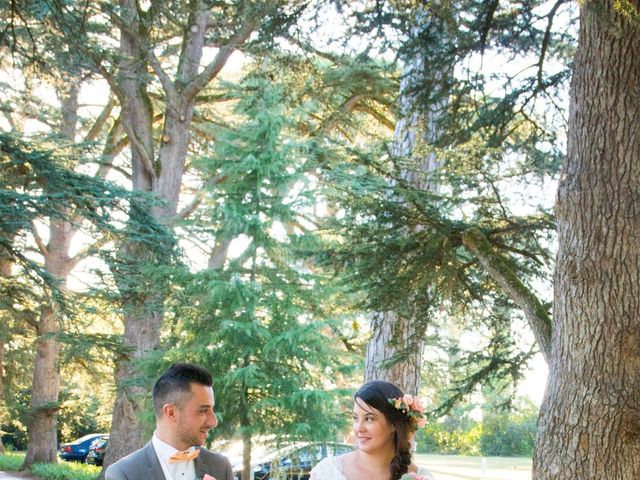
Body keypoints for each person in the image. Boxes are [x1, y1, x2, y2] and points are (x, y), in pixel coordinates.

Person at [105, 362, 234, 480]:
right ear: (171, 412)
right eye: (203, 410)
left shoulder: (221, 468)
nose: (213, 421)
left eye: (212, 409)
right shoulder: (123, 474)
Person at [310, 380, 434, 480]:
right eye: (355, 418)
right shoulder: (328, 472)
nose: (359, 428)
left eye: (369, 419)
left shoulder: (420, 477)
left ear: (393, 424)